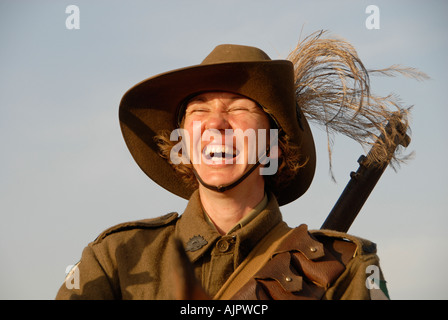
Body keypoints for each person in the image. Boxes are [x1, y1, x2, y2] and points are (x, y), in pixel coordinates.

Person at [56, 36, 401, 300]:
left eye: (239, 109)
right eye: (198, 111)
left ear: (274, 143)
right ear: (183, 141)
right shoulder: (117, 259)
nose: (216, 124)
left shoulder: (344, 267)